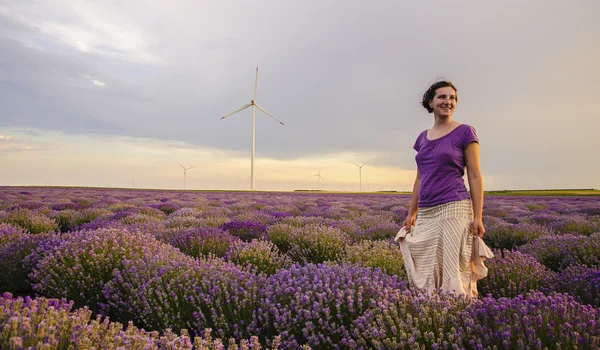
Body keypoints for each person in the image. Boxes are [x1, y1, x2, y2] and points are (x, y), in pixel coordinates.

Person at [398, 80, 493, 297]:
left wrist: (478, 217)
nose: (447, 101)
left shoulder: (465, 132)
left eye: (452, 98)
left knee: (452, 269)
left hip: (454, 207)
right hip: (427, 212)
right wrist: (412, 212)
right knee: (426, 267)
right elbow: (420, 177)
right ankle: (432, 312)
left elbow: (475, 175)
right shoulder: (422, 138)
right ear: (431, 102)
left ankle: (458, 314)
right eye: (442, 97)